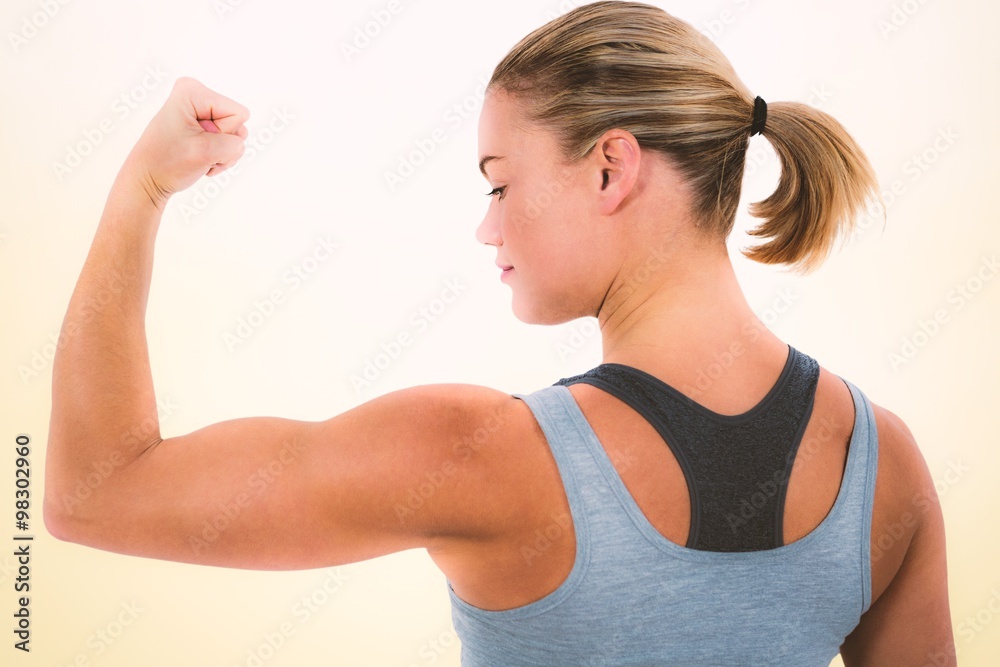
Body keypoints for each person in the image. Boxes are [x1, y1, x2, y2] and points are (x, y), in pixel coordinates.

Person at [44, 1, 955, 664]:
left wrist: (143, 189)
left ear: (610, 169)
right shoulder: (885, 466)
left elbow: (95, 491)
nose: (488, 226)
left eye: (498, 181)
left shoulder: (478, 454)